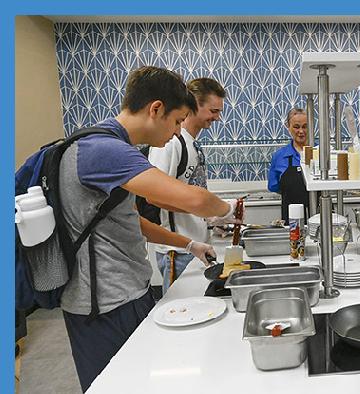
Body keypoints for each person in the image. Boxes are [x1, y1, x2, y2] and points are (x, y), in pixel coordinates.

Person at [58, 66, 240, 391]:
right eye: (177, 121)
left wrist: (188, 244)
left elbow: (133, 221)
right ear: (156, 109)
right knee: (116, 386)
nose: (177, 131)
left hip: (128, 292)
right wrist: (228, 211)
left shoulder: (113, 147)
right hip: (103, 305)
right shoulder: (102, 150)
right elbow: (193, 200)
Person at [147, 77, 226, 294]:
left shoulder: (193, 144)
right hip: (177, 251)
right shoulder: (171, 143)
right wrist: (210, 209)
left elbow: (189, 191)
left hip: (196, 248)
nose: (217, 117)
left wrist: (210, 219)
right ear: (193, 105)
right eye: (213, 110)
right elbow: (154, 196)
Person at [267, 108, 309, 224]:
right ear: (288, 126)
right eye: (296, 126)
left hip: (320, 217)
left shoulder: (320, 152)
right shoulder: (279, 156)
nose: (301, 131)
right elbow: (273, 186)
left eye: (305, 126)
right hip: (292, 219)